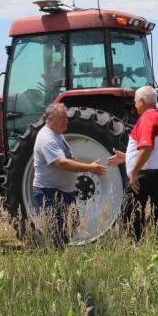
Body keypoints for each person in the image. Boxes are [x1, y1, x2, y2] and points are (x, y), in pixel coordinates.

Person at [33, 102, 107, 247]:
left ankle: (61, 251)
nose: (66, 120)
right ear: (50, 119)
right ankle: (55, 258)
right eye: (62, 118)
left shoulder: (58, 134)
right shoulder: (47, 138)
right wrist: (89, 168)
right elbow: (62, 163)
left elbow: (68, 159)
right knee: (56, 226)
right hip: (49, 190)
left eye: (66, 117)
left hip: (64, 190)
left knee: (73, 221)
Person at [108, 85, 158, 238]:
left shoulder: (147, 118)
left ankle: (136, 252)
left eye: (136, 101)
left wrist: (134, 172)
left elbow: (147, 147)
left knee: (132, 221)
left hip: (147, 178)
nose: (134, 104)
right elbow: (153, 151)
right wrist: (127, 157)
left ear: (142, 102)